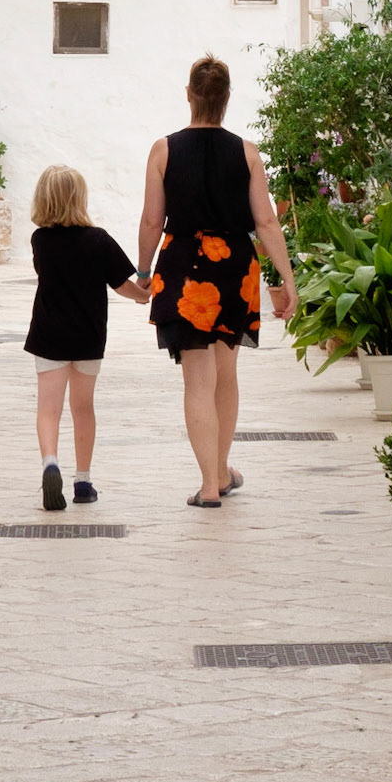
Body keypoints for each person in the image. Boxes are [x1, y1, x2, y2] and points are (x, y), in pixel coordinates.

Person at [137, 54, 298, 507]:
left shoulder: (163, 150)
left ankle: (210, 483)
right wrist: (288, 280)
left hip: (184, 269)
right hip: (234, 268)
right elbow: (266, 222)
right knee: (226, 374)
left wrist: (144, 271)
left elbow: (152, 221)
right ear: (227, 99)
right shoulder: (247, 152)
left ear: (189, 95)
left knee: (197, 382)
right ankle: (222, 472)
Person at [25, 164, 151, 512]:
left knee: (48, 410)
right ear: (80, 198)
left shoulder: (40, 241)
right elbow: (122, 283)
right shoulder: (98, 240)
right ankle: (82, 481)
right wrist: (143, 296)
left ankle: (50, 463)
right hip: (88, 336)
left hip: (48, 334)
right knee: (83, 409)